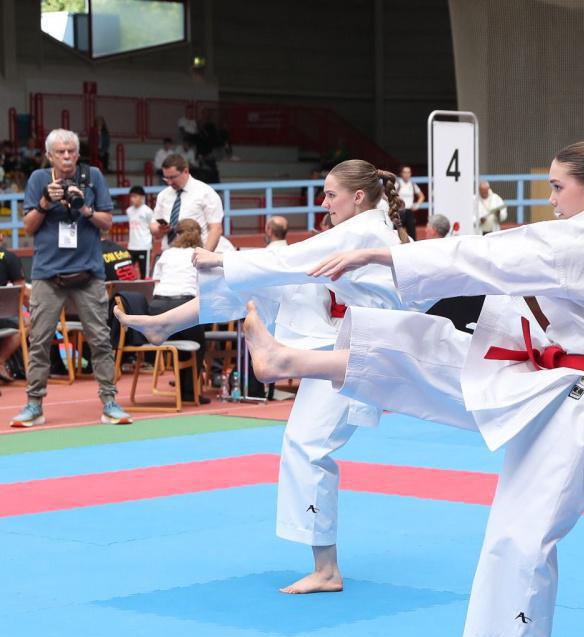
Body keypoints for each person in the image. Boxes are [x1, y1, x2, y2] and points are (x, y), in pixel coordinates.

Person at [222, 140, 584, 637]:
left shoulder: (583, 237)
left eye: (556, 187)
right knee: (443, 350)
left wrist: (385, 258)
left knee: (522, 534)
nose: (551, 199)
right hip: (575, 384)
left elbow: (489, 256)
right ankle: (295, 362)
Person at [115, 159, 417, 596]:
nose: (324, 202)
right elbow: (293, 265)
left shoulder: (364, 230)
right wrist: (231, 267)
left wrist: (223, 259)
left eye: (331, 194)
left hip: (367, 356)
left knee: (306, 445)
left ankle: (327, 569)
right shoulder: (363, 228)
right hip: (340, 344)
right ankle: (170, 324)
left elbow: (297, 258)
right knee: (278, 286)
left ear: (357, 196)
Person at [11, 129, 131, 428]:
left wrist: (86, 208)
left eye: (71, 152)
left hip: (88, 273)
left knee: (101, 340)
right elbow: (28, 227)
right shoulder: (39, 179)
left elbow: (107, 222)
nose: (66, 157)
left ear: (78, 154)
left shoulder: (94, 177)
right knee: (39, 341)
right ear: (49, 155)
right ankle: (34, 405)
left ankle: (110, 402)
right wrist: (44, 202)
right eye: (60, 152)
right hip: (47, 275)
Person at [147, 218, 208, 402]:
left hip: (157, 307)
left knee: (180, 340)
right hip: (184, 303)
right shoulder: (199, 255)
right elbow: (203, 288)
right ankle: (190, 391)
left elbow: (156, 283)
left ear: (177, 234)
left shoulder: (166, 254)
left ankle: (183, 386)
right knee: (199, 343)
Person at [151, 154, 224, 254]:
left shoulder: (206, 193)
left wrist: (204, 255)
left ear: (185, 171)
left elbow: (215, 228)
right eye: (166, 178)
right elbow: (153, 226)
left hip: (194, 253)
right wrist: (160, 228)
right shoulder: (163, 195)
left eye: (172, 177)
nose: (169, 182)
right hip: (168, 254)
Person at [0, 234, 24, 384]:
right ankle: (0, 361)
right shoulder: (9, 257)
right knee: (29, 323)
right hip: (2, 317)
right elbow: (22, 290)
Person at [395, 165, 424, 240]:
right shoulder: (398, 183)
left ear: (410, 173)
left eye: (408, 172)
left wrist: (417, 205)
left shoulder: (413, 184)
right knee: (396, 233)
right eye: (405, 172)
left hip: (409, 211)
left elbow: (421, 196)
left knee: (412, 234)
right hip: (399, 211)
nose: (406, 174)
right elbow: (391, 195)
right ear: (401, 173)